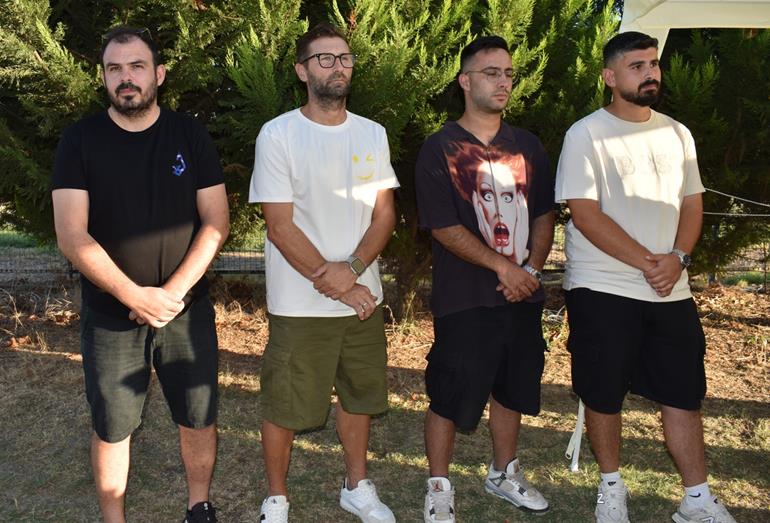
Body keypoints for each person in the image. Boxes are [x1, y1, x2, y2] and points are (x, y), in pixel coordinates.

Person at [555, 31, 737, 523]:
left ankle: (696, 498)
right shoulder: (585, 134)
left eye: (653, 64)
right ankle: (611, 489)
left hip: (671, 289)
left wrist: (678, 257)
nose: (650, 73)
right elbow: (585, 213)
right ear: (609, 77)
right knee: (603, 395)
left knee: (683, 394)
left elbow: (692, 204)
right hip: (603, 287)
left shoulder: (678, 134)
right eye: (637, 66)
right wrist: (649, 262)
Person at [51, 26, 228, 523]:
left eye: (136, 67)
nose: (125, 78)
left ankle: (199, 505)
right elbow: (72, 235)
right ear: (103, 77)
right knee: (113, 426)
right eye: (114, 69)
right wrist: (134, 296)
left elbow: (216, 221)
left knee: (198, 414)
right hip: (111, 314)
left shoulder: (189, 134)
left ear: (159, 74)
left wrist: (170, 294)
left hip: (185, 310)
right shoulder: (79, 140)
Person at [248, 22, 399, 523]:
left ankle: (356, 486)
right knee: (285, 403)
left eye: (345, 58)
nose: (338, 66)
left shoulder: (371, 133)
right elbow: (279, 224)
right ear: (302, 70)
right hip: (299, 302)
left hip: (362, 298)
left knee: (360, 396)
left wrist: (352, 272)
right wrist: (335, 281)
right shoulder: (278, 134)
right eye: (325, 58)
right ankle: (277, 498)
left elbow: (384, 215)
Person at [415, 35, 555, 522]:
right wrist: (503, 267)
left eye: (509, 74)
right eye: (491, 73)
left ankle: (503, 472)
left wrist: (530, 271)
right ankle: (438, 485)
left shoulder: (528, 146)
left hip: (522, 295)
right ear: (465, 80)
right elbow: (443, 226)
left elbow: (543, 213)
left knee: (512, 389)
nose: (503, 82)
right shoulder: (440, 147)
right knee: (450, 394)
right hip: (465, 298)